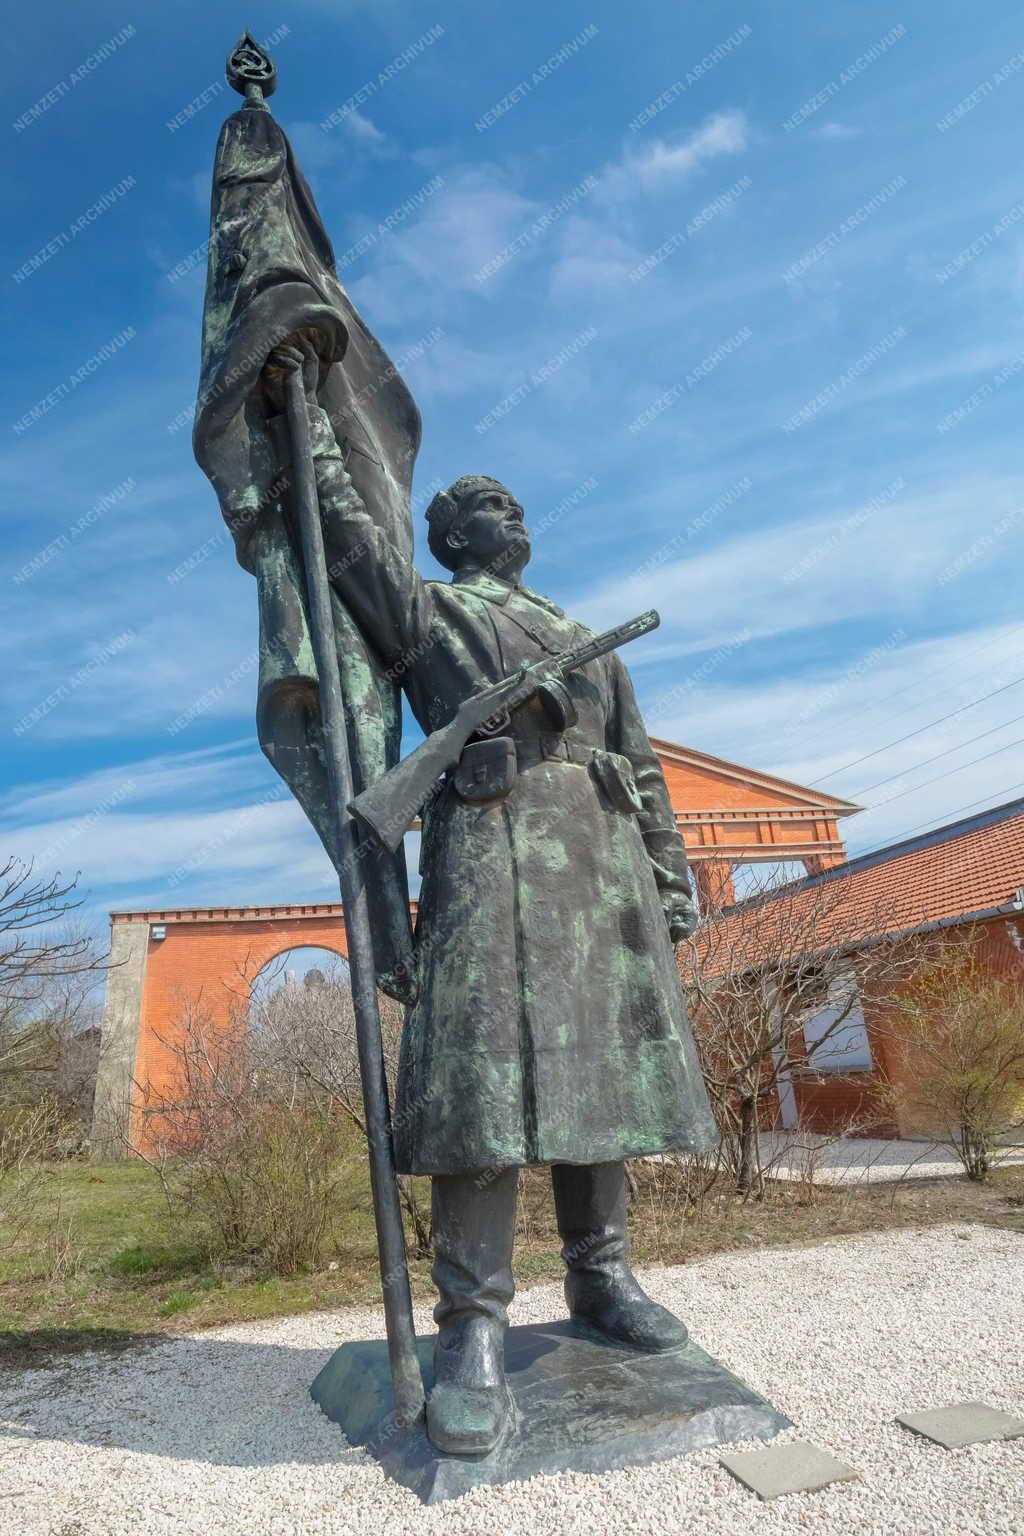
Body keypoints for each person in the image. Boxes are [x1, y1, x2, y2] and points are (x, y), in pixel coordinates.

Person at [264, 337, 719, 1457]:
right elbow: (347, 533)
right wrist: (306, 416)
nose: (508, 513)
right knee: (484, 1085)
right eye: (483, 505)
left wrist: (668, 871)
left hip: (601, 864)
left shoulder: (587, 637)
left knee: (600, 1081)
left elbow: (644, 766)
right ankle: (470, 1328)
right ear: (449, 535)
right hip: (487, 849)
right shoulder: (426, 611)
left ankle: (603, 1281)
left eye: (513, 503)